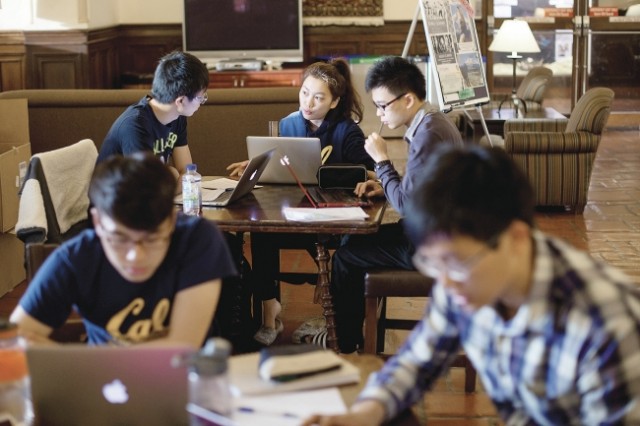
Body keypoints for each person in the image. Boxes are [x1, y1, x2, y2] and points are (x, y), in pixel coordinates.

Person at [302, 145, 640, 426]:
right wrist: (365, 413)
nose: (444, 282)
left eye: (455, 263)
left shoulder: (607, 328)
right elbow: (417, 361)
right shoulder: (465, 278)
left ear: (516, 239)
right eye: (433, 263)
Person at [297, 56, 463, 352]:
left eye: (383, 105)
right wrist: (385, 185)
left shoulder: (427, 135)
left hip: (430, 247)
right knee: (352, 242)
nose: (379, 114)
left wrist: (382, 162)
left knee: (346, 258)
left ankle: (343, 343)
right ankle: (352, 333)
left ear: (408, 99)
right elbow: (420, 190)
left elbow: (408, 206)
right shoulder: (433, 123)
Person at [10, 153, 237, 347]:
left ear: (171, 220)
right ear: (98, 222)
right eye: (119, 238)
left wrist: (82, 363)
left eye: (151, 239)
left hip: (186, 383)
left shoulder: (197, 239)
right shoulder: (76, 257)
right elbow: (15, 338)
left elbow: (183, 347)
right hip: (103, 388)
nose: (135, 256)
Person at [226, 58, 374, 346]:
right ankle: (270, 310)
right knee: (262, 233)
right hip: (292, 211)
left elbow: (368, 171)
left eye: (319, 97)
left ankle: (339, 321)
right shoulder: (288, 123)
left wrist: (358, 176)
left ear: (334, 102)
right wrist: (257, 164)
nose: (308, 103)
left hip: (332, 215)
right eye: (305, 92)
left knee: (346, 247)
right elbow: (280, 166)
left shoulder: (347, 131)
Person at [97, 50, 209, 182]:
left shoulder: (178, 117)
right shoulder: (135, 125)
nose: (202, 102)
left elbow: (187, 171)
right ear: (180, 101)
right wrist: (173, 176)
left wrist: (174, 176)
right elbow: (146, 190)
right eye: (200, 97)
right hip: (116, 200)